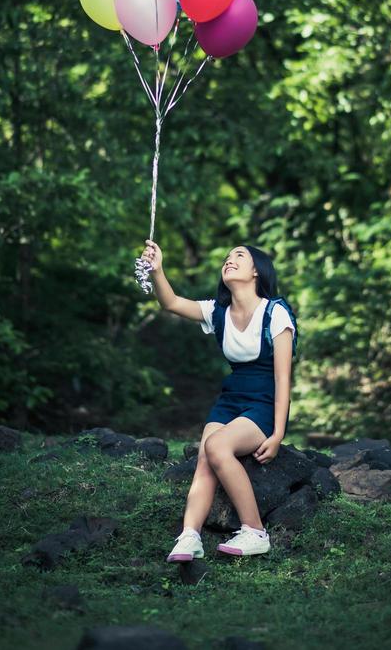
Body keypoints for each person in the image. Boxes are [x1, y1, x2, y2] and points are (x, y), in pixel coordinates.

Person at [140, 239, 297, 561]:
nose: (229, 260)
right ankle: (189, 536)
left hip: (264, 402)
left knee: (217, 446)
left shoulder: (275, 312)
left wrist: (278, 434)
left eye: (239, 255)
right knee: (205, 458)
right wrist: (157, 270)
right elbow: (170, 302)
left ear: (257, 271)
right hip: (231, 398)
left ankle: (254, 531)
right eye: (227, 257)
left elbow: (283, 379)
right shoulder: (218, 312)